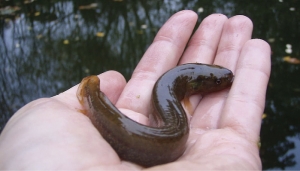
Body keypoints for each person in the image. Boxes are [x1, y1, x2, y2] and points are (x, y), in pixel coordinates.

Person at [0, 10, 270, 170]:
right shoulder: (176, 86)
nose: (226, 81)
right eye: (220, 81)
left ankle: (92, 98)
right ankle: (92, 98)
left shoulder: (178, 84)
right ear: (196, 84)